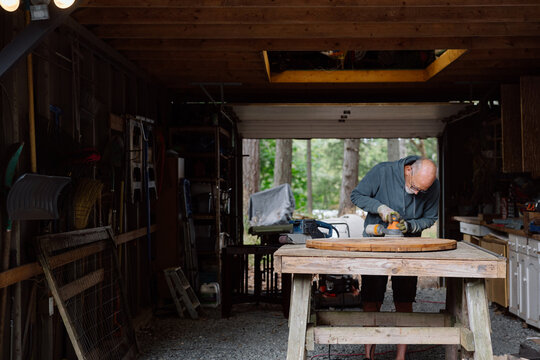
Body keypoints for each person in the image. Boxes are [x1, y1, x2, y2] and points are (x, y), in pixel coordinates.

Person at [350, 155, 439, 360]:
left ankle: (400, 357)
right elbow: (356, 195)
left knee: (404, 301)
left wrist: (411, 226)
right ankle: (368, 356)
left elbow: (430, 217)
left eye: (422, 191)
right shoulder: (382, 171)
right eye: (415, 187)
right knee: (371, 300)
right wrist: (380, 208)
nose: (418, 193)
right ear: (408, 170)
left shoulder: (432, 185)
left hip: (408, 249)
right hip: (376, 244)